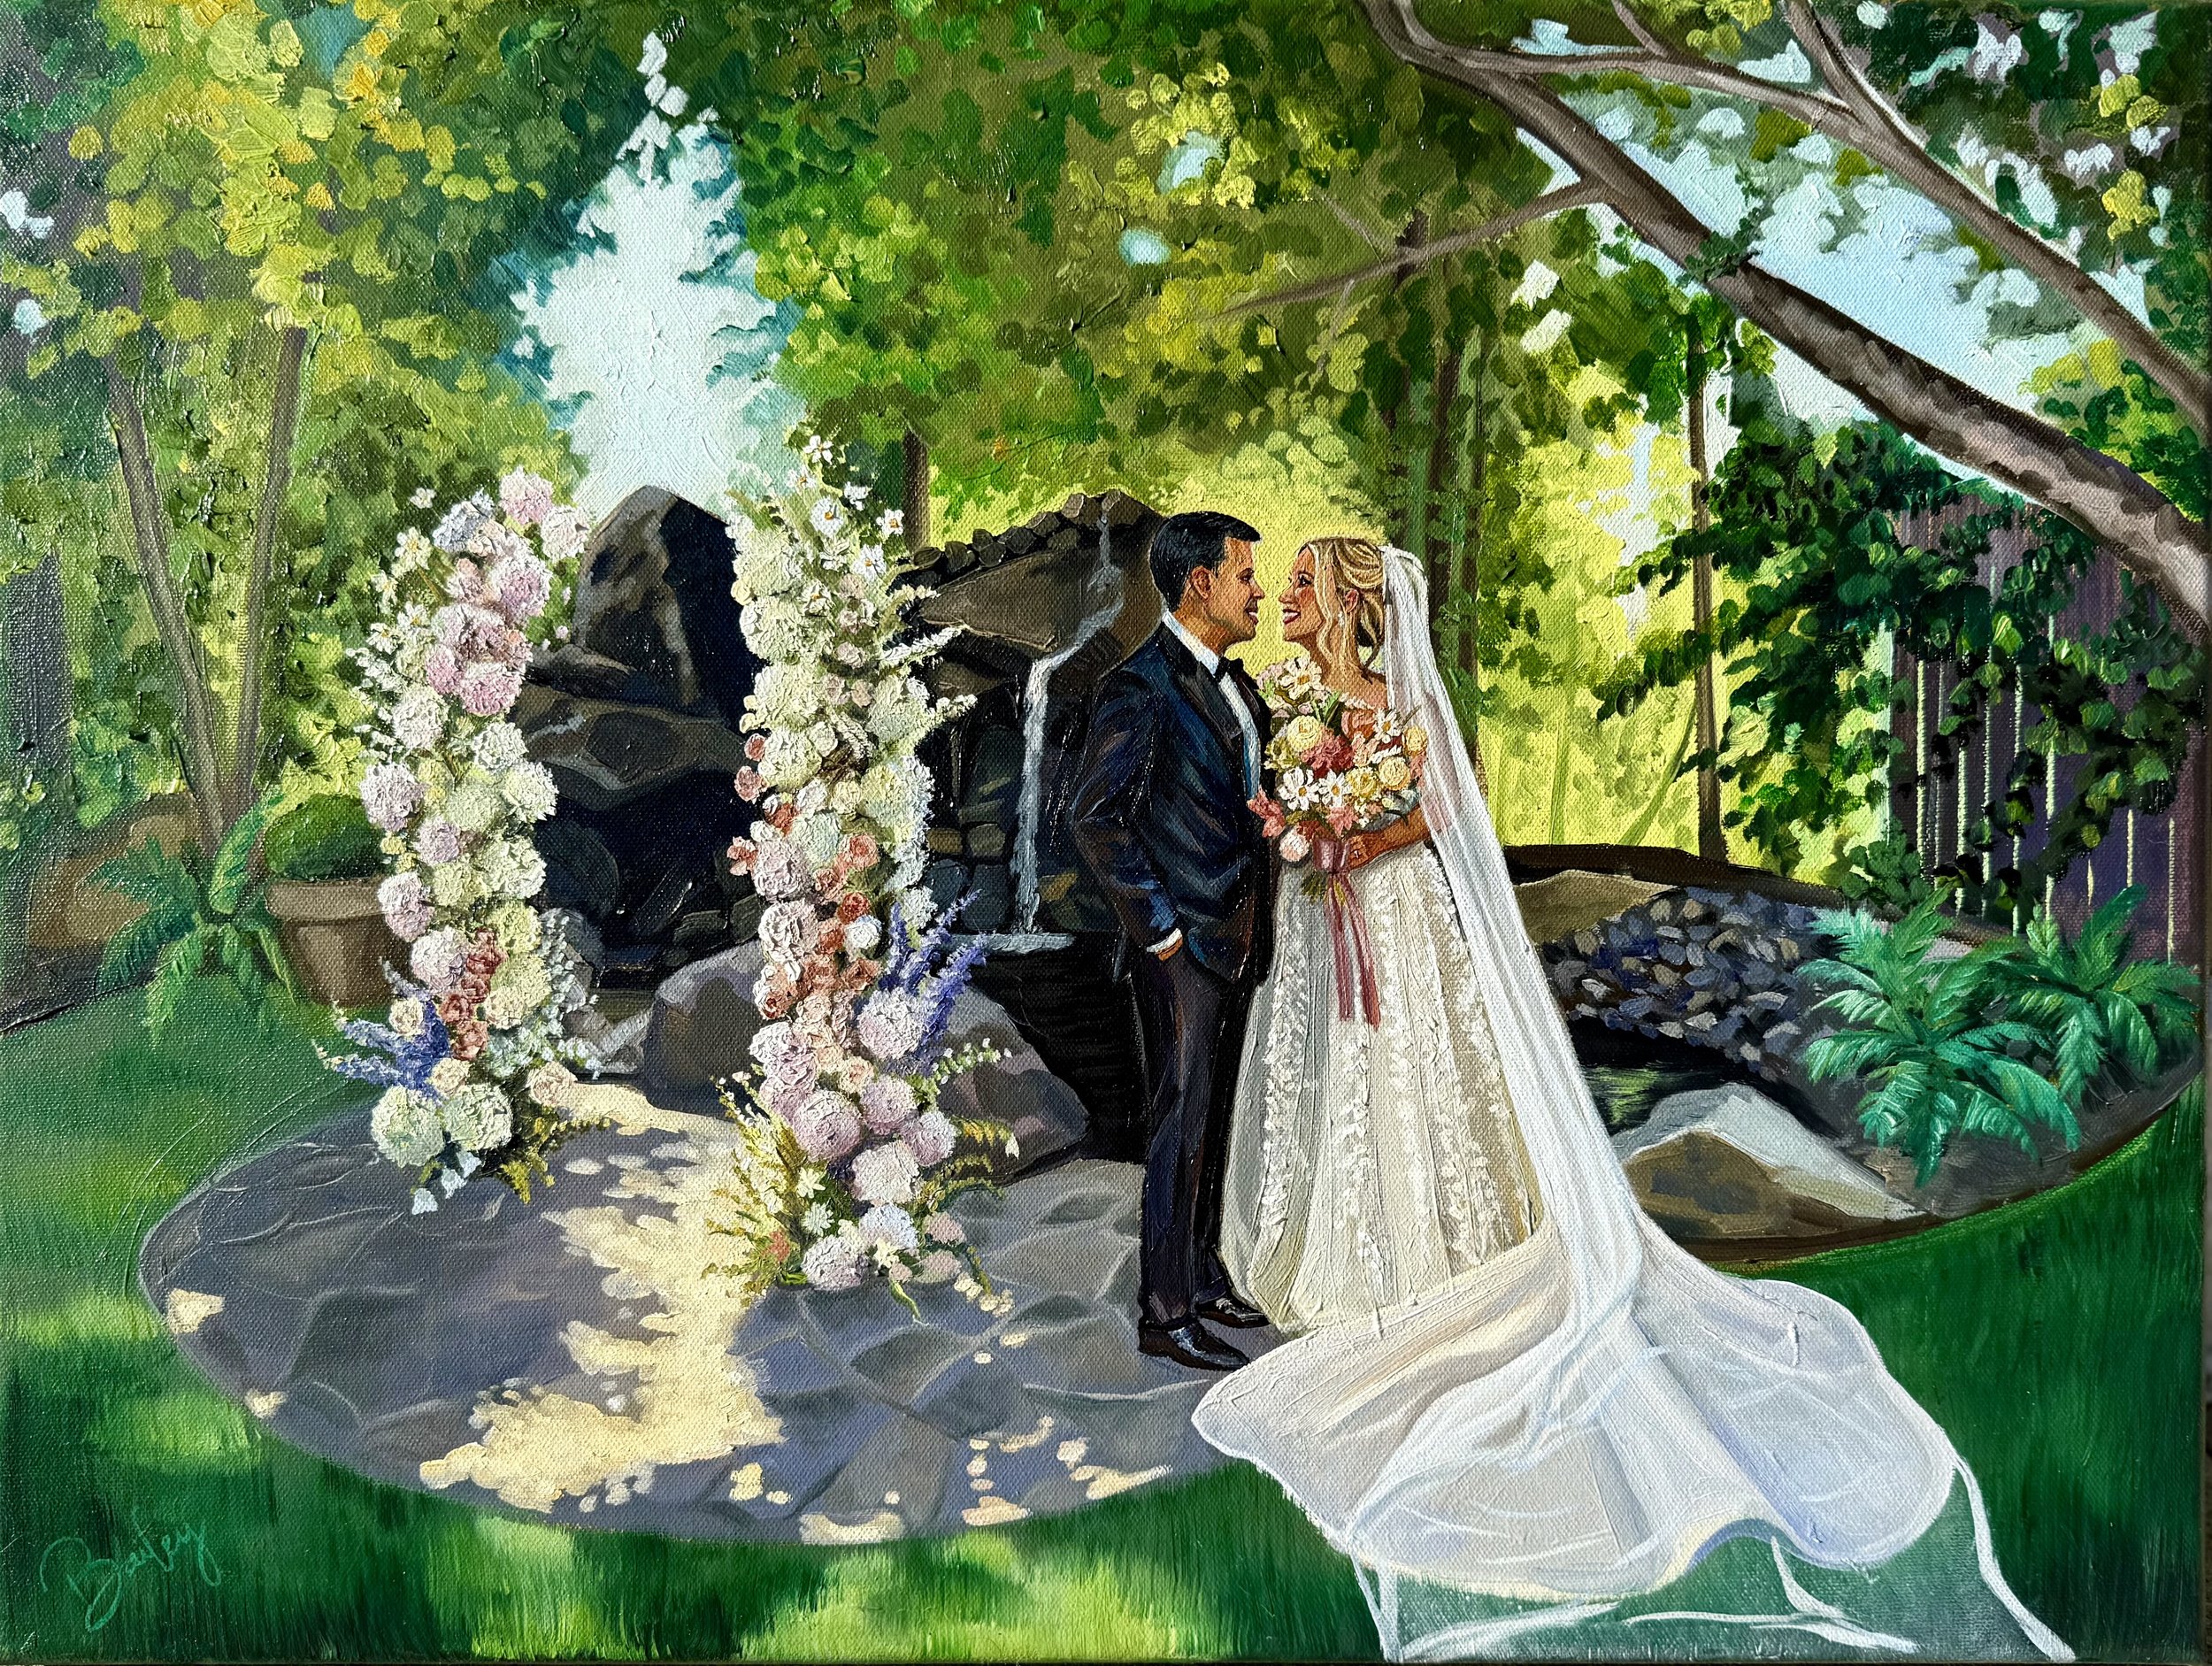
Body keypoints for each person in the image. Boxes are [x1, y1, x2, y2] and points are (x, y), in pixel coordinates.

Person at [1190, 535, 2070, 1662]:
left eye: (1308, 582)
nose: (1292, 599)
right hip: (1327, 917)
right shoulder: (1298, 703)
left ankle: (1421, 1254)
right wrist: (1312, 827)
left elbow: (1441, 816)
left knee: (1408, 1078)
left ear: (1358, 606)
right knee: (1332, 1081)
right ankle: (1338, 1250)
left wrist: (1350, 828)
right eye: (1289, 581)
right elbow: (1304, 799)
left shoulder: (1400, 707)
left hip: (1395, 910)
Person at [1069, 510, 1277, 1373]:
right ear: (1201, 583)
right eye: (1244, 575)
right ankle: (1163, 1310)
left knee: (1212, 1120)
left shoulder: (1242, 684)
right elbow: (1094, 814)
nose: (1256, 590)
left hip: (1236, 936)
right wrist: (1157, 930)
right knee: (1177, 1121)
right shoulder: (1141, 685)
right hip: (1180, 947)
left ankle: (1201, 1274)